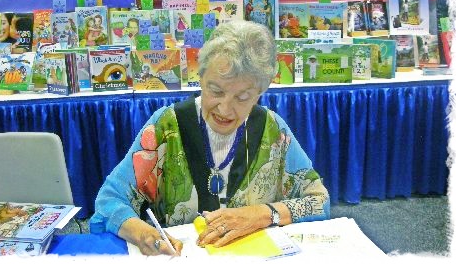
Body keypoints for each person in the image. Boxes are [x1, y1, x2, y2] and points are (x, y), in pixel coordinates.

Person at [90, 20, 330, 256]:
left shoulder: (273, 130)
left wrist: (261, 214)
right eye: (215, 91)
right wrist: (144, 234)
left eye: (243, 97)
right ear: (200, 78)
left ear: (260, 92)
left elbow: (319, 201)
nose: (225, 110)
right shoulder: (166, 127)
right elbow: (109, 201)